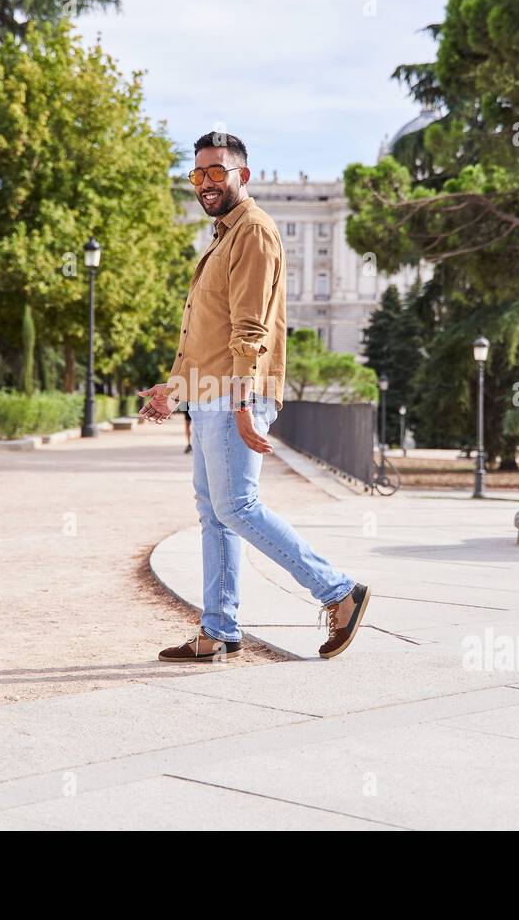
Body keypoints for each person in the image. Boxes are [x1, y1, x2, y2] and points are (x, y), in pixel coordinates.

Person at [138, 131, 369, 663]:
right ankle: (218, 629)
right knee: (216, 514)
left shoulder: (254, 232)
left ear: (244, 175)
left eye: (217, 172)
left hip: (234, 396)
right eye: (198, 175)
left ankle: (339, 592)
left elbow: (249, 330)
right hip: (212, 393)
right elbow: (205, 335)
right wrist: (174, 392)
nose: (206, 183)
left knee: (237, 507)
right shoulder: (223, 236)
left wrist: (244, 404)